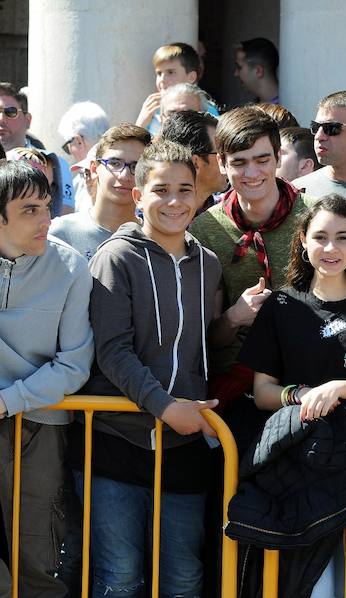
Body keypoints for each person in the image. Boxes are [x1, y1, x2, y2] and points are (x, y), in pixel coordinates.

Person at [237, 194, 346, 596]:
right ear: (303, 242)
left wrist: (336, 390)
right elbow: (262, 392)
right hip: (293, 462)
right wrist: (301, 396)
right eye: (321, 237)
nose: (331, 248)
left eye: (343, 238)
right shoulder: (281, 305)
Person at [74, 140, 220, 597]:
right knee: (120, 576)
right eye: (161, 190)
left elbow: (197, 346)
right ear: (139, 197)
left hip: (184, 446)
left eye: (184, 190)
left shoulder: (209, 264)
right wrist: (164, 406)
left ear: (199, 196)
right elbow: (112, 351)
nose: (174, 201)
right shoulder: (115, 258)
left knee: (183, 577)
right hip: (116, 442)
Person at [0, 160, 93, 598]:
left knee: (38, 560)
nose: (46, 219)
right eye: (29, 210)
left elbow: (74, 364)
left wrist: (8, 400)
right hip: (27, 414)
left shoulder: (71, 266)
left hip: (38, 426)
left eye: (46, 206)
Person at [188, 107, 306, 450]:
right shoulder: (204, 230)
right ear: (222, 164)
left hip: (305, 385)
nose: (252, 172)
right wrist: (234, 316)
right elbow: (207, 338)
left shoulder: (315, 216)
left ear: (277, 157)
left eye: (262, 159)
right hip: (235, 391)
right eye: (239, 162)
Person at [49, 123, 151, 260]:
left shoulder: (155, 240)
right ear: (94, 169)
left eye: (136, 166)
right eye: (115, 163)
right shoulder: (58, 233)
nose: (124, 175)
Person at [1, 82, 75, 215]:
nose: (1, 119)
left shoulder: (55, 164)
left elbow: (64, 215)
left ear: (27, 120)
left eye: (10, 112)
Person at [136, 43, 218, 135]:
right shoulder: (151, 109)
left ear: (191, 77)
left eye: (170, 72)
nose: (162, 79)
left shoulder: (207, 109)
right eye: (159, 73)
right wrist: (141, 123)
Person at [158, 109, 228, 215]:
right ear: (195, 163)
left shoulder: (227, 213)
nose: (228, 161)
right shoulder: (152, 220)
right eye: (221, 154)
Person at [57, 101, 109, 212]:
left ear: (79, 141)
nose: (70, 152)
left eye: (68, 146)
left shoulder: (89, 177)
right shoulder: (119, 171)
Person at [234, 38, 280, 104]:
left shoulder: (288, 110)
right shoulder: (255, 107)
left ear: (258, 71)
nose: (236, 73)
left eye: (239, 67)